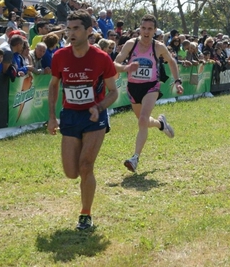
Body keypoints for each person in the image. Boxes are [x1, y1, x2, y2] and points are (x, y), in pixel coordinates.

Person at [47, 10, 118, 231]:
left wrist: (99, 107)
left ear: (89, 31)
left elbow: (114, 92)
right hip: (69, 115)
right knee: (71, 172)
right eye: (69, 28)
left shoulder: (101, 58)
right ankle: (84, 193)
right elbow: (53, 85)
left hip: (93, 116)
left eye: (76, 28)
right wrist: (51, 116)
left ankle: (85, 214)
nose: (71, 33)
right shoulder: (60, 56)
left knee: (86, 166)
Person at [113, 14, 184, 173]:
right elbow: (118, 60)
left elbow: (171, 62)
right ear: (140, 29)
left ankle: (135, 158)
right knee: (143, 121)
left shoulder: (158, 47)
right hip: (133, 87)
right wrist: (117, 70)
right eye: (143, 28)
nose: (146, 32)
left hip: (151, 86)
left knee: (143, 119)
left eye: (149, 29)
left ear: (154, 30)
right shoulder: (131, 44)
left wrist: (178, 81)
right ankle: (161, 124)